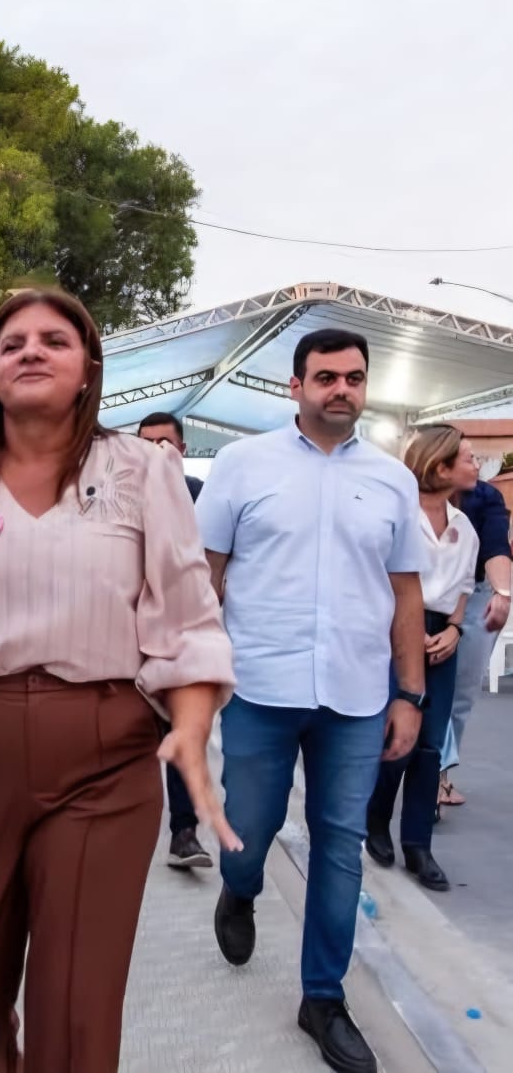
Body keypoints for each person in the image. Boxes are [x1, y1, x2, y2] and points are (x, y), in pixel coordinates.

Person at [0, 287, 239, 1072]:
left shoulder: (143, 470)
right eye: (12, 345)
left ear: (88, 370)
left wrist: (191, 731)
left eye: (54, 340)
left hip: (104, 764)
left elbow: (186, 616)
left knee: (75, 1012)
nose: (31, 351)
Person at [195, 327, 426, 1073]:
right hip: (260, 687)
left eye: (354, 377)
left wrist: (410, 693)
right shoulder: (242, 464)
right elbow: (206, 575)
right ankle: (239, 890)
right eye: (326, 377)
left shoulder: (392, 480)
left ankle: (322, 997)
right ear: (295, 386)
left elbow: (405, 592)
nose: (341, 389)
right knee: (249, 830)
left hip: (357, 696)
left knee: (340, 843)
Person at [365, 426, 477, 892]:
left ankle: (418, 845)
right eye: (468, 458)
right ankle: (376, 820)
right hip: (396, 629)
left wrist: (454, 630)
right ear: (440, 466)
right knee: (398, 738)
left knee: (431, 745)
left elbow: (464, 588)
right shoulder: (396, 514)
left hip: (443, 638)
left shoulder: (464, 526)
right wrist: (406, 633)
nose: (476, 466)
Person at [137, 411, 212, 869]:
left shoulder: (203, 499)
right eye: (146, 443)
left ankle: (184, 833)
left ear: (182, 450)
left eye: (164, 443)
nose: (156, 453)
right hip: (128, 640)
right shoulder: (117, 498)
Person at [438, 465, 511, 808]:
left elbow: (497, 548)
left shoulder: (485, 496)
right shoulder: (406, 491)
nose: (478, 465)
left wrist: (503, 593)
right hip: (416, 591)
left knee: (460, 693)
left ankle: (437, 775)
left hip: (475, 593)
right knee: (414, 687)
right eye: (468, 458)